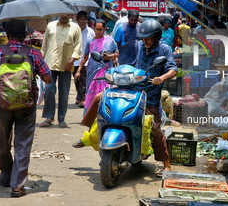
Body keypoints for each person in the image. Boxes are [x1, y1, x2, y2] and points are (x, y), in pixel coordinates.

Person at [76, 19, 177, 176]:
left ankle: (167, 164)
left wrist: (162, 78)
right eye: (143, 38)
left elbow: (173, 69)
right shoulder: (140, 46)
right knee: (99, 98)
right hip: (132, 89)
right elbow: (133, 64)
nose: (145, 41)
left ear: (156, 37)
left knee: (155, 129)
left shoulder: (164, 50)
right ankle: (89, 133)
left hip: (150, 96)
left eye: (148, 38)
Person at [0, 19, 52, 197]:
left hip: (1, 105)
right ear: (26, 35)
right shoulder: (34, 53)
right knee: (23, 144)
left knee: (2, 141)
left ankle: (6, 175)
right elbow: (48, 78)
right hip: (27, 104)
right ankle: (17, 185)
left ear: (6, 35)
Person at [72, 19, 119, 148]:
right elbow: (85, 57)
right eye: (97, 29)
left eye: (101, 29)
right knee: (92, 102)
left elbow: (117, 53)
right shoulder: (90, 41)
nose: (99, 32)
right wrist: (79, 71)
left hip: (106, 75)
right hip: (92, 75)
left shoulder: (110, 41)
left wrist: (110, 56)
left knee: (105, 101)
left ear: (105, 29)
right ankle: (90, 132)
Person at [40, 14, 82, 128]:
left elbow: (78, 47)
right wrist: (40, 62)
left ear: (70, 15)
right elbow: (44, 46)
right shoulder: (50, 26)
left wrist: (72, 60)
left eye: (67, 14)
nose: (64, 15)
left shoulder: (75, 28)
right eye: (62, 13)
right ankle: (49, 117)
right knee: (49, 90)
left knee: (64, 93)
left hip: (66, 66)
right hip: (50, 64)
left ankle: (62, 118)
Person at [73, 11, 95, 108]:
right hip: (74, 59)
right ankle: (79, 96)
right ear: (76, 20)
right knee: (76, 79)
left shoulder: (90, 31)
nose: (83, 22)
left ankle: (81, 99)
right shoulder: (73, 30)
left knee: (83, 80)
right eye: (81, 20)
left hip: (86, 59)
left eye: (84, 20)